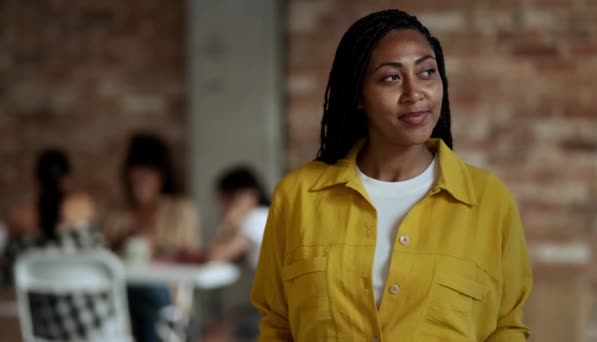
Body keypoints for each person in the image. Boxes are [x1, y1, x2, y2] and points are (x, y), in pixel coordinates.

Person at [252, 9, 532, 341]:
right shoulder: (297, 197)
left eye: (427, 72)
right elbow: (277, 325)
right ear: (358, 95)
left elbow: (507, 328)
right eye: (391, 78)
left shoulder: (488, 201)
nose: (415, 94)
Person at [3, 148, 110, 341]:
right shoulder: (84, 228)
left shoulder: (23, 236)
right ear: (68, 179)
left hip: (46, 333)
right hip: (96, 327)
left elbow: (5, 279)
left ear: (36, 181)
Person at [105, 133, 202, 342]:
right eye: (135, 177)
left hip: (167, 295)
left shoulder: (180, 211)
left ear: (161, 175)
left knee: (148, 294)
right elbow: (106, 257)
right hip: (121, 293)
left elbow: (190, 254)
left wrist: (155, 246)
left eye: (146, 176)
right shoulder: (119, 217)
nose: (140, 182)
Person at [209, 165, 270, 270]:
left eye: (227, 198)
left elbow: (215, 257)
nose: (221, 206)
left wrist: (229, 222)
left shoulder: (258, 217)